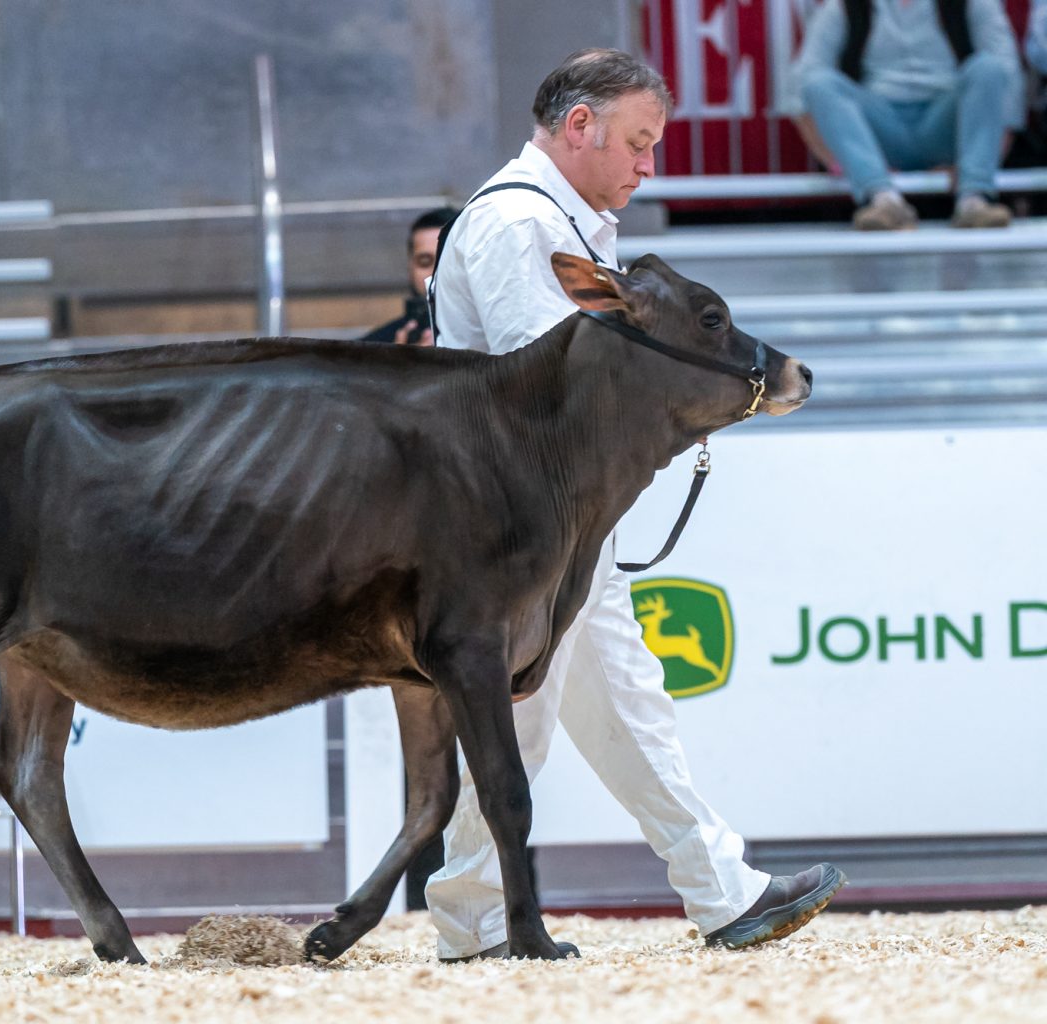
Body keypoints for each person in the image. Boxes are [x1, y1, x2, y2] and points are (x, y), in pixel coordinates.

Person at [424, 47, 846, 962]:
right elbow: (549, 383)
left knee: (624, 704)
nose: (648, 166)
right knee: (526, 724)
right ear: (579, 126)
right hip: (520, 526)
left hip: (559, 518)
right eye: (639, 142)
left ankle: (719, 892)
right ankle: (476, 918)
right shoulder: (519, 223)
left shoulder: (563, 220)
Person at [789, 0, 1024, 230]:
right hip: (879, 132)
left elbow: (1008, 81)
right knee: (819, 82)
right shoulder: (844, 5)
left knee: (988, 68)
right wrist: (843, 164)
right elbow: (800, 88)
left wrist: (979, 164)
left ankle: (974, 200)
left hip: (944, 127)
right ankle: (882, 200)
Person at [360, 206, 458, 346]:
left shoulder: (489, 337)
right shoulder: (371, 349)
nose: (436, 273)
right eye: (425, 262)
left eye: (447, 260)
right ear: (410, 268)